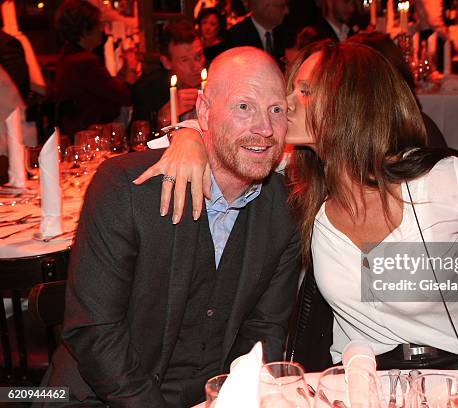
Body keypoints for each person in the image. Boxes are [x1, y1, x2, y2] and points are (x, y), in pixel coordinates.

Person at [138, 41, 458, 368]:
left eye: (303, 92)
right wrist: (189, 136)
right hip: (357, 385)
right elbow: (225, 129)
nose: (283, 105)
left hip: (453, 376)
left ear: (352, 103)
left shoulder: (441, 185)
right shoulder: (294, 176)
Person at [38, 47, 300, 407]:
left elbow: (264, 330)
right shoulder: (126, 188)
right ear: (205, 112)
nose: (265, 128)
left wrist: (233, 397)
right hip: (101, 396)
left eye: (276, 110)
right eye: (244, 107)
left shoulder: (283, 210)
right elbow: (95, 332)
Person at [53, 0, 137, 141]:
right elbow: (125, 97)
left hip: (77, 131)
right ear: (86, 30)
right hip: (90, 136)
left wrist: (124, 71)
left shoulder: (68, 54)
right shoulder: (84, 62)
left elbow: (107, 87)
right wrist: (132, 68)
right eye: (98, 25)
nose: (102, 29)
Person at [132, 18, 205, 132]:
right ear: (166, 62)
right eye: (185, 60)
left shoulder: (219, 79)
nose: (196, 66)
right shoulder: (149, 90)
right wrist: (162, 119)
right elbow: (137, 141)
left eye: (199, 56)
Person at [225, 0, 289, 63]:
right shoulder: (235, 36)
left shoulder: (286, 32)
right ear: (266, 8)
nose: (287, 11)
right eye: (282, 6)